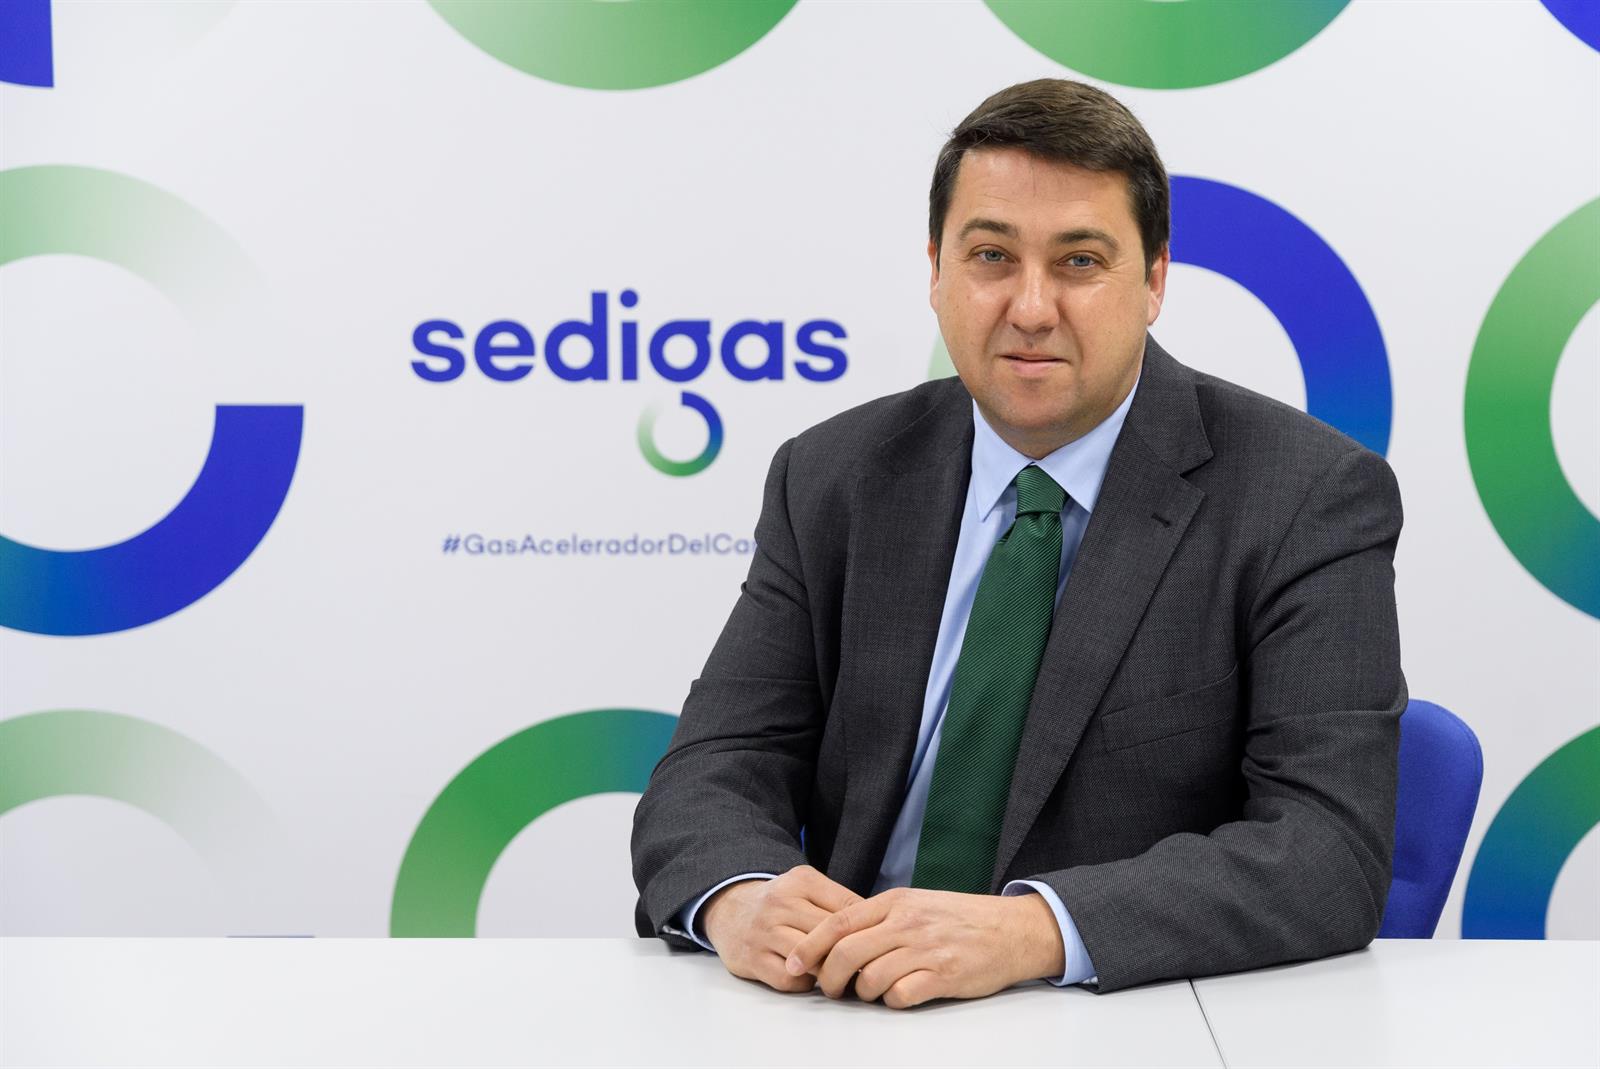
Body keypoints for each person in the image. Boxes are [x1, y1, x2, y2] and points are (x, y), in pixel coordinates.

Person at [630, 78, 1405, 1009]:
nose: (1031, 307)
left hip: (1113, 1022)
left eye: (1080, 261)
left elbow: (1326, 849)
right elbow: (712, 768)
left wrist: (1030, 931)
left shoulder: (1306, 496)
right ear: (936, 271)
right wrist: (743, 899)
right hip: (841, 1011)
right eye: (992, 256)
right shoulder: (833, 475)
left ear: (1155, 281)